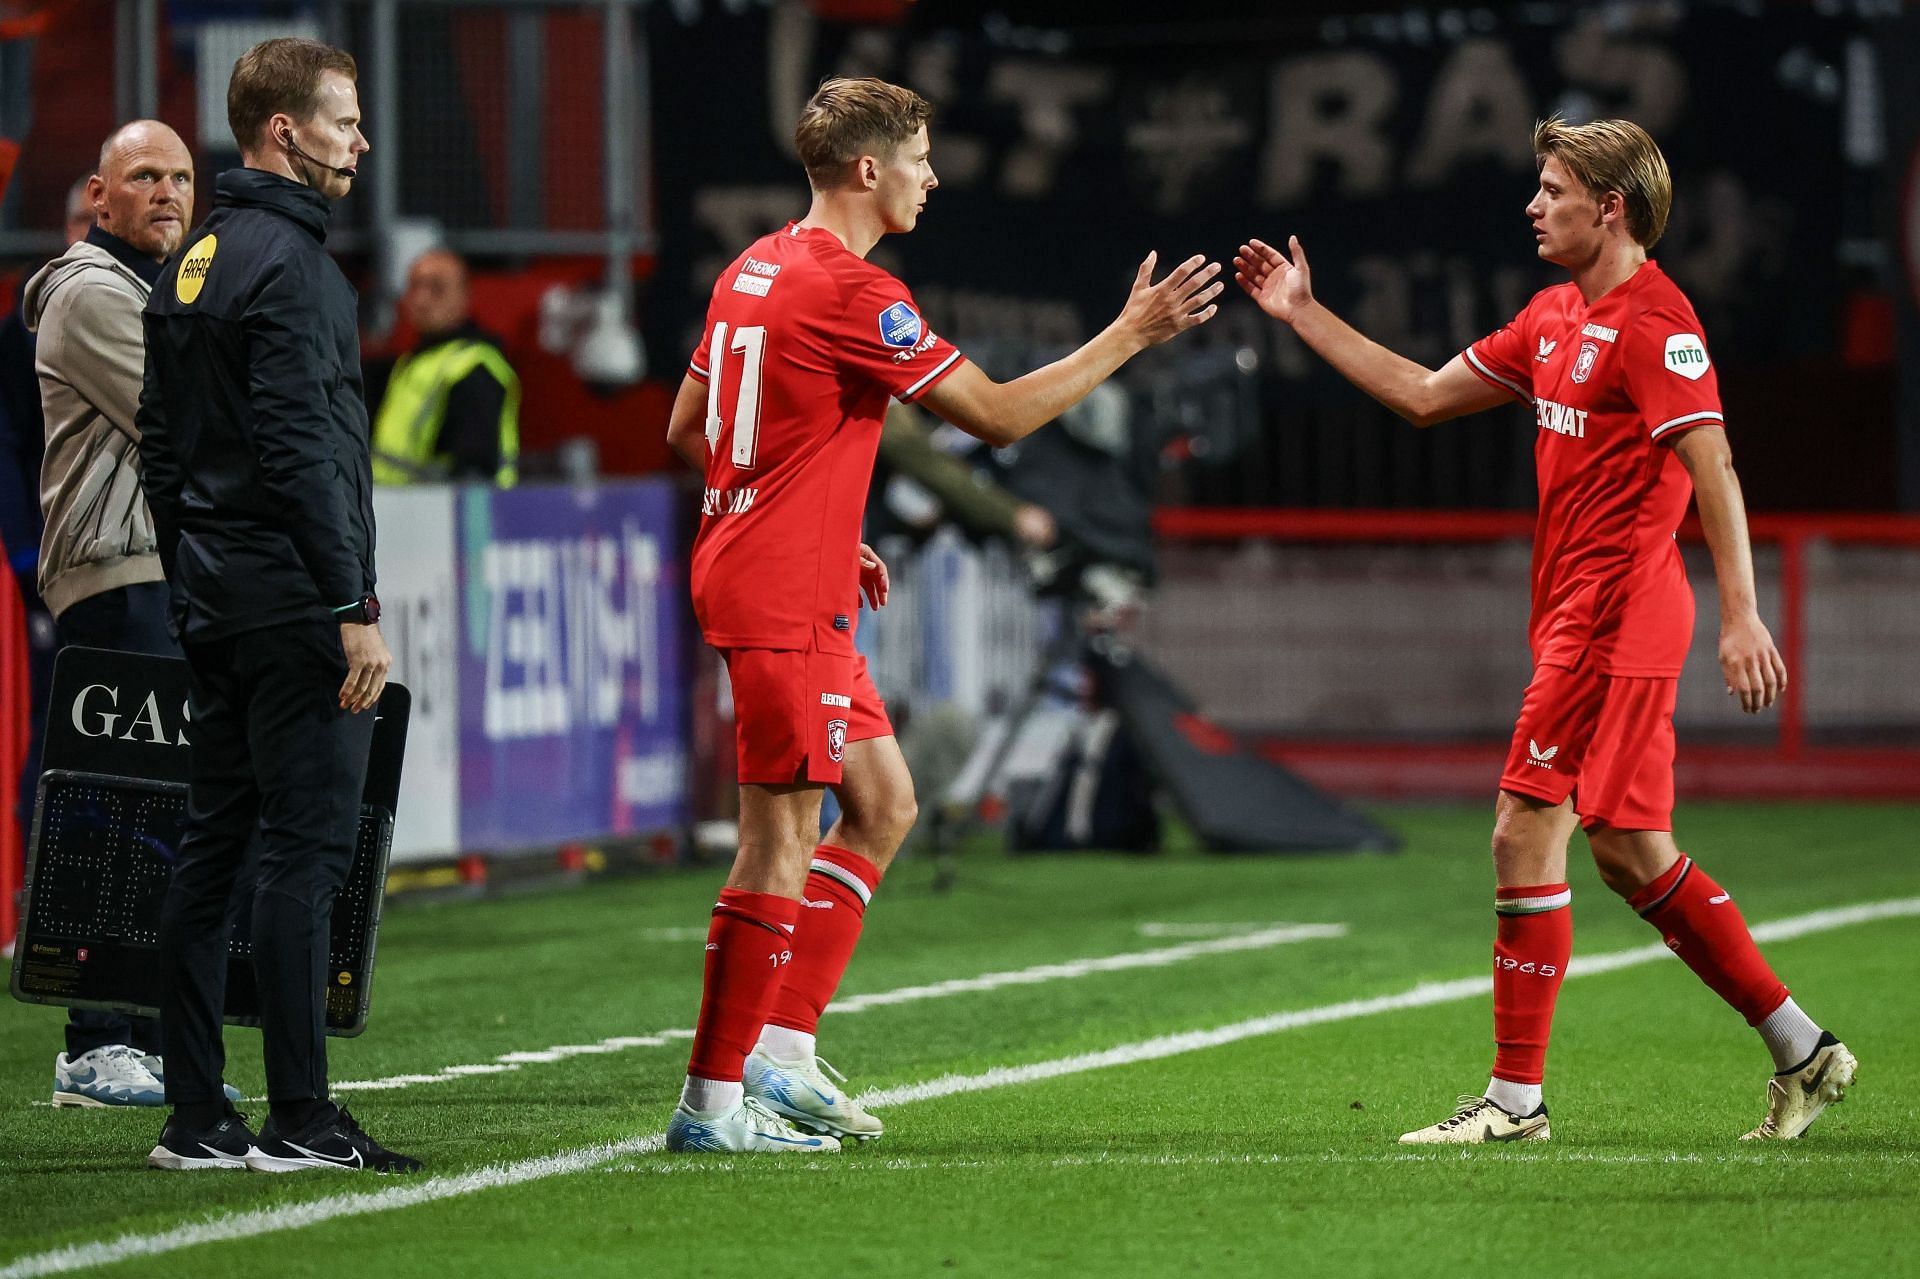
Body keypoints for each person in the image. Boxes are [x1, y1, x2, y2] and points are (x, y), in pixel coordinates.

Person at [1235, 117, 1851, 1144]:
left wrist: (1744, 614)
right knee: (1628, 849)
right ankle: (1802, 1046)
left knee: (1527, 829)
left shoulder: (1658, 325)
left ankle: (1516, 1101)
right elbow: (1426, 396)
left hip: (1618, 617)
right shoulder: (1555, 313)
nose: (1533, 205)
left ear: (1610, 208)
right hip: (1574, 614)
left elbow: (1716, 467)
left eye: (1553, 189)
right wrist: (1304, 315)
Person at [660, 76, 1219, 1154]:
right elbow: (1000, 418)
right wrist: (1129, 334)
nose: (933, 174)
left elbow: (692, 424)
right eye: (918, 157)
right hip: (778, 588)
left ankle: (781, 1053)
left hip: (782, 569)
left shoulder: (753, 265)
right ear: (869, 170)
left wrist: (812, 515)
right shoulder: (854, 289)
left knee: (882, 802)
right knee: (780, 837)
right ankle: (712, 1106)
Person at [137, 37, 419, 1173]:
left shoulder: (196, 257)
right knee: (305, 852)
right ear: (285, 132)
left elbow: (159, 447)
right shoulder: (294, 268)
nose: (360, 139)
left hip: (213, 598)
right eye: (345, 121)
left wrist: (192, 571)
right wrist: (351, 600)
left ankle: (197, 1113)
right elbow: (306, 452)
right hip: (297, 602)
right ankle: (302, 1117)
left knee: (211, 850)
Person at [24, 121, 241, 1110]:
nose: (167, 192)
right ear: (98, 199)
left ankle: (139, 1032)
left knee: (166, 810)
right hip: (118, 581)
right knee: (118, 807)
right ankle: (93, 1038)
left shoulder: (155, 292)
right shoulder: (90, 293)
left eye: (182, 177)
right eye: (143, 176)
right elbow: (191, 415)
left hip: (164, 574)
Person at [370, 248, 519, 485]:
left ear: (464, 297)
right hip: (402, 509)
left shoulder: (475, 367)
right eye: (414, 287)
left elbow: (474, 469)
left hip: (452, 513)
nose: (421, 299)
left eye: (436, 288)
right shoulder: (413, 362)